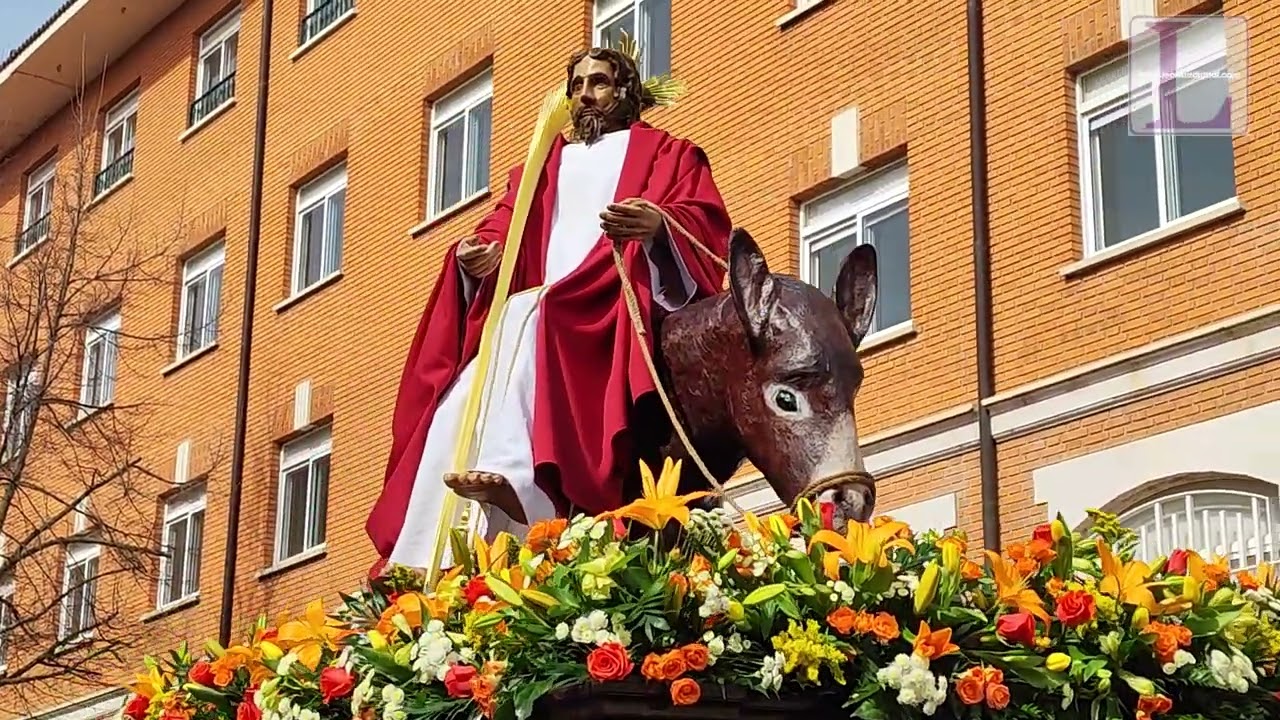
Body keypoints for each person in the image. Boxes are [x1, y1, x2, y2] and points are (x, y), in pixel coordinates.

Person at [366, 45, 732, 570]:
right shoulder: (542, 165)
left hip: (611, 305)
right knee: (462, 392)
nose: (585, 94)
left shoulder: (668, 153)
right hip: (543, 310)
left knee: (533, 313)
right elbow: (505, 223)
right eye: (577, 84)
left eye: (599, 83)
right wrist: (475, 256)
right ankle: (420, 556)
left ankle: (521, 481)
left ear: (626, 93)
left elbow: (700, 218)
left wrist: (657, 228)